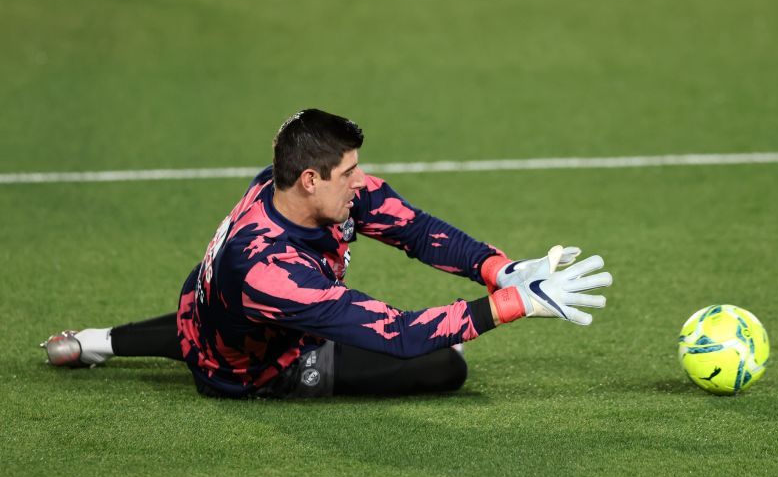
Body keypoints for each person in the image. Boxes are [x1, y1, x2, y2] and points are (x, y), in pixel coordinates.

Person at [41, 109, 613, 399]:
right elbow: (398, 334)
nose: (361, 181)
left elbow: (412, 228)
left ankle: (98, 342)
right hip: (252, 364)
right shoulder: (270, 271)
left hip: (210, 305)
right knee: (445, 364)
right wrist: (513, 304)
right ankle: (111, 344)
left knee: (216, 319)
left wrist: (501, 269)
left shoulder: (283, 184)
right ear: (310, 179)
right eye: (349, 172)